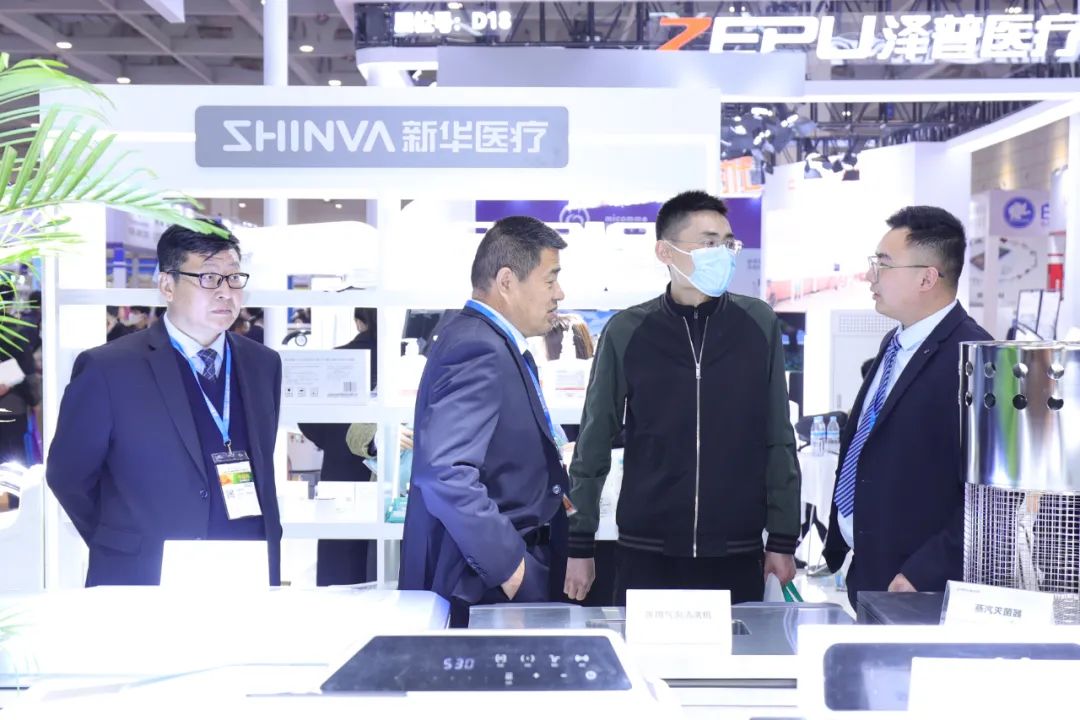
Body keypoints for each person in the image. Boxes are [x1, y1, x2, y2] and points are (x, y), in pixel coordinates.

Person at [564, 190, 801, 605]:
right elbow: (594, 439)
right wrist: (580, 542)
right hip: (646, 549)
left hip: (736, 549)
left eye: (728, 243)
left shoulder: (757, 324)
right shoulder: (627, 330)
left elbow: (778, 435)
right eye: (709, 243)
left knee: (736, 650)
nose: (722, 254)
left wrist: (782, 538)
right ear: (665, 251)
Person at [47, 221, 284, 586]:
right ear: (167, 286)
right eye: (209, 278)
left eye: (234, 278)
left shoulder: (262, 363)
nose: (226, 292)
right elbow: (68, 475)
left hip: (244, 567)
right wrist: (120, 539)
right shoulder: (109, 368)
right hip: (145, 573)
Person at [399, 216, 569, 627]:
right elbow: (445, 472)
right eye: (550, 279)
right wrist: (511, 568)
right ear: (507, 281)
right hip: (481, 582)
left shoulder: (485, 339)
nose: (559, 293)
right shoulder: (479, 347)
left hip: (489, 576)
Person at [824, 206, 992, 610]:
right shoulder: (896, 343)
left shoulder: (975, 358)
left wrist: (926, 570)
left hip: (919, 586)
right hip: (873, 570)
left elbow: (990, 498)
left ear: (927, 278)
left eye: (883, 264)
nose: (871, 276)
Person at [299, 307, 384, 586]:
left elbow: (307, 419)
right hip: (388, 469)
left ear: (359, 322)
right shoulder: (396, 360)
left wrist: (333, 441)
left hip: (340, 468)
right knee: (383, 553)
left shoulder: (334, 358)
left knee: (339, 549)